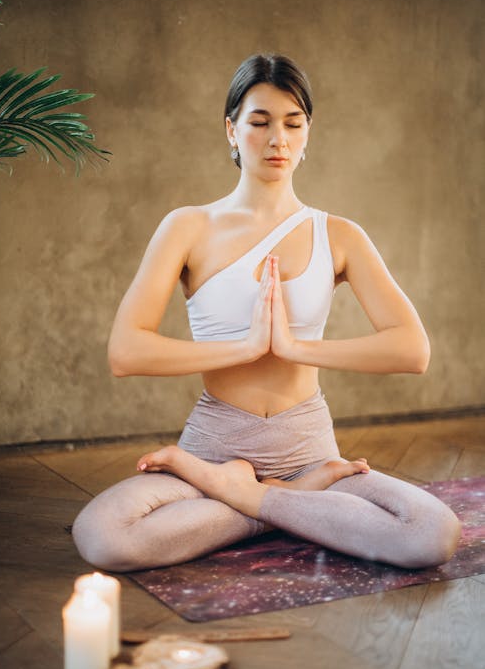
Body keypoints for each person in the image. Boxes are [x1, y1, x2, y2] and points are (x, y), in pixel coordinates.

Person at [72, 53, 461, 572]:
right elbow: (125, 351)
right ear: (231, 130)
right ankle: (294, 501)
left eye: (292, 124)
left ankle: (249, 499)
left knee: (432, 535)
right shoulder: (187, 227)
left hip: (309, 449)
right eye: (259, 123)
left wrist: (296, 348)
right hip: (214, 445)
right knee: (103, 538)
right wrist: (246, 346)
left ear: (307, 135)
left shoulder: (339, 234)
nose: (277, 138)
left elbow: (412, 349)